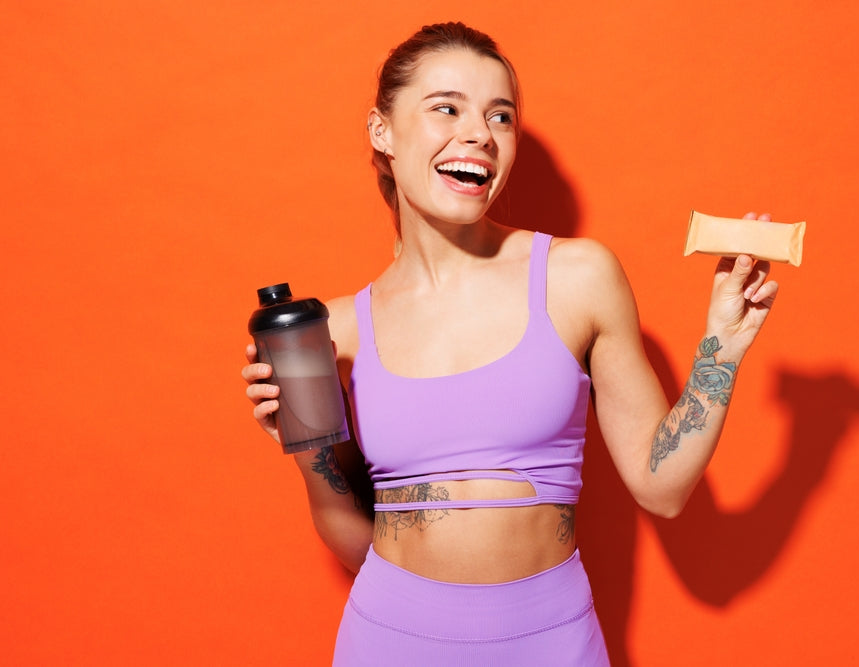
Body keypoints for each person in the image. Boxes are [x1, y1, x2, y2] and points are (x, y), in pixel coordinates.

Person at [242, 21, 779, 666]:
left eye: (501, 116)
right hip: (389, 639)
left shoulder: (575, 278)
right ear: (381, 130)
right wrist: (307, 451)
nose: (479, 135)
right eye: (447, 107)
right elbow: (355, 538)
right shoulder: (335, 330)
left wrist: (722, 342)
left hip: (550, 639)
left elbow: (660, 487)